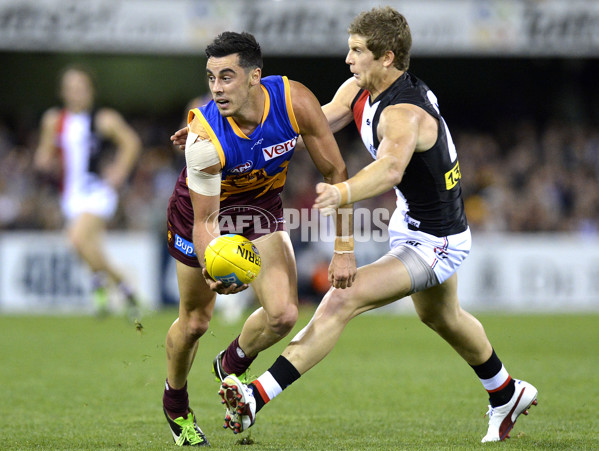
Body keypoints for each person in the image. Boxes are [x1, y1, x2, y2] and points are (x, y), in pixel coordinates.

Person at [215, 7, 538, 444]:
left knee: (339, 301)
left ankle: (254, 397)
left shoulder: (404, 114)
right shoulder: (360, 89)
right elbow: (314, 123)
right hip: (413, 222)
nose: (348, 60)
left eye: (357, 51)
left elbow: (389, 170)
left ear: (387, 57)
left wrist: (342, 192)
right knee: (442, 316)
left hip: (437, 240)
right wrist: (225, 133)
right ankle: (506, 391)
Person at [163, 31, 356, 446]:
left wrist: (344, 249)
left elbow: (336, 173)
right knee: (196, 321)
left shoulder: (294, 100)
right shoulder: (203, 141)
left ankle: (230, 363)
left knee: (284, 314)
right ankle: (175, 405)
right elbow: (205, 222)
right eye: (211, 77)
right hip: (200, 212)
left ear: (255, 77)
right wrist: (214, 264)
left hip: (259, 208)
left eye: (227, 77)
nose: (216, 88)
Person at [34, 64, 142, 316]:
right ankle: (122, 289)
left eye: (81, 88)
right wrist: (43, 159)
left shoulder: (104, 118)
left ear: (91, 90)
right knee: (88, 246)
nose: (76, 93)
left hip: (97, 191)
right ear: (63, 92)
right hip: (70, 194)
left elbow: (131, 142)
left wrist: (120, 170)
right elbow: (45, 153)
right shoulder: (54, 120)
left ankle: (117, 286)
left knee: (77, 238)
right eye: (71, 88)